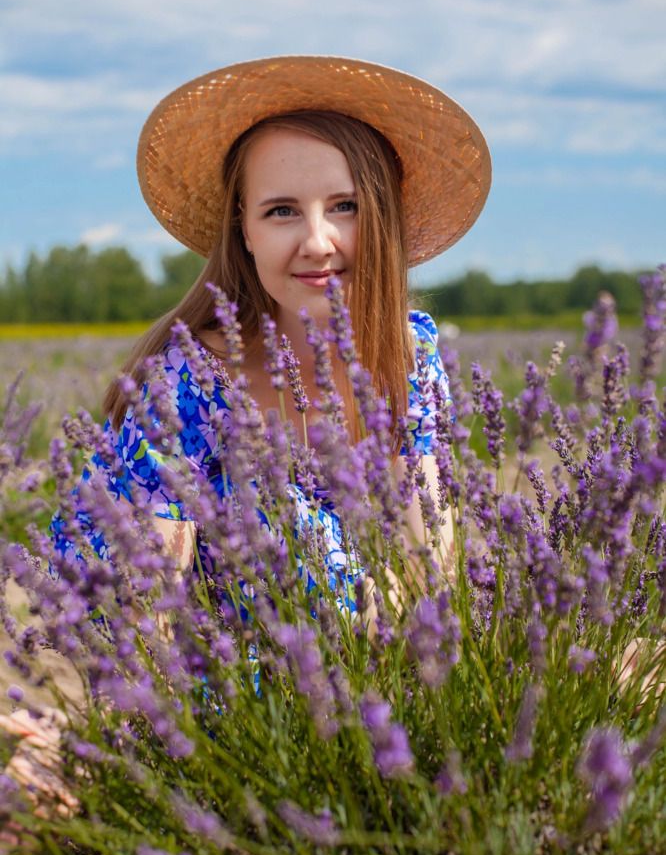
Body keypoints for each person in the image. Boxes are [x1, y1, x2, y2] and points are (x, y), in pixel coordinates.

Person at [49, 55, 492, 607]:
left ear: (384, 217)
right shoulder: (187, 381)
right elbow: (147, 606)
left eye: (345, 206)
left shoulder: (413, 356)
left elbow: (432, 569)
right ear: (246, 229)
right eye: (282, 211)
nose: (317, 240)